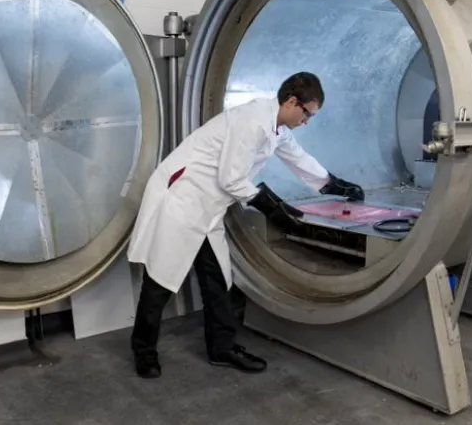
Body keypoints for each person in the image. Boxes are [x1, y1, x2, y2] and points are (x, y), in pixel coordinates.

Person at [126, 71, 365, 379]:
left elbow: (298, 158)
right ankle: (143, 352)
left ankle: (222, 349)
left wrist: (335, 184)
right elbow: (231, 179)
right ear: (292, 102)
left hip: (208, 208)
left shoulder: (276, 127)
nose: (307, 121)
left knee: (217, 280)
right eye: (307, 113)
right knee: (160, 280)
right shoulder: (253, 122)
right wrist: (272, 207)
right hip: (182, 201)